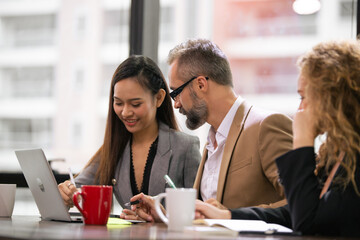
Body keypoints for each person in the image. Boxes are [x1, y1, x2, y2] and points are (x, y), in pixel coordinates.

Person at [196, 40, 360, 237]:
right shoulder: (338, 153)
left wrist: (303, 142)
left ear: (332, 96)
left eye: (303, 97)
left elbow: (306, 222)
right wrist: (227, 216)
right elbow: (292, 213)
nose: (300, 109)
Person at [121, 39, 293, 220]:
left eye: (175, 93)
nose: (177, 104)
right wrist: (164, 218)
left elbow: (299, 206)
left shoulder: (267, 126)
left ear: (201, 84)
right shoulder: (212, 140)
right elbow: (207, 217)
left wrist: (229, 216)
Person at [58, 55, 201, 209]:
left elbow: (201, 212)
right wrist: (65, 193)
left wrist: (164, 217)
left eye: (135, 104)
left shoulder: (185, 147)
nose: (125, 112)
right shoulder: (114, 148)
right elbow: (77, 188)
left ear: (159, 98)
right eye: (118, 103)